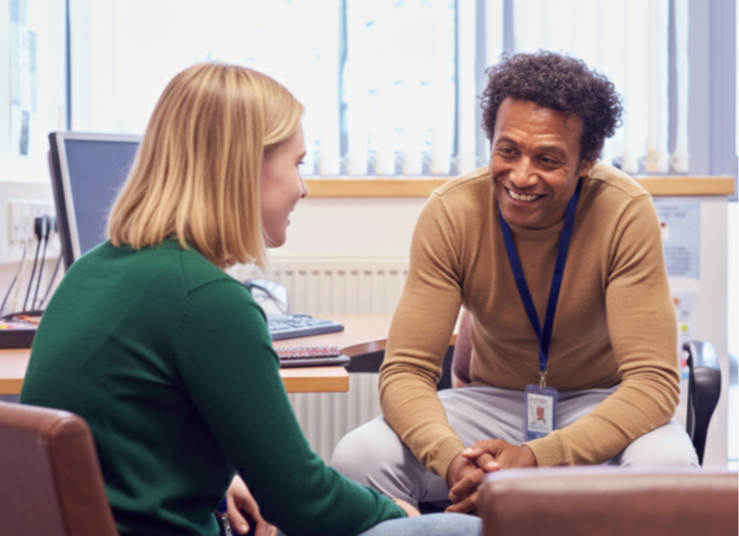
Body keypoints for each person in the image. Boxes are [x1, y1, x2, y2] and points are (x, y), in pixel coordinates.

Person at [20, 63, 481, 536]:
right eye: (298, 164)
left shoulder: (91, 270)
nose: (304, 188)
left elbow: (129, 445)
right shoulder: (207, 300)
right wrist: (399, 513)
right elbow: (303, 501)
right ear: (243, 166)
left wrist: (222, 488)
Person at [332, 51, 699, 514]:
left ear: (586, 161)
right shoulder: (452, 212)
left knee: (669, 473)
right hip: (492, 403)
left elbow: (652, 382)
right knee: (356, 457)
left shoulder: (624, 212)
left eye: (547, 158)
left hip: (599, 403)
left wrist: (537, 459)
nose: (521, 175)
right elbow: (406, 371)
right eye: (508, 150)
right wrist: (454, 464)